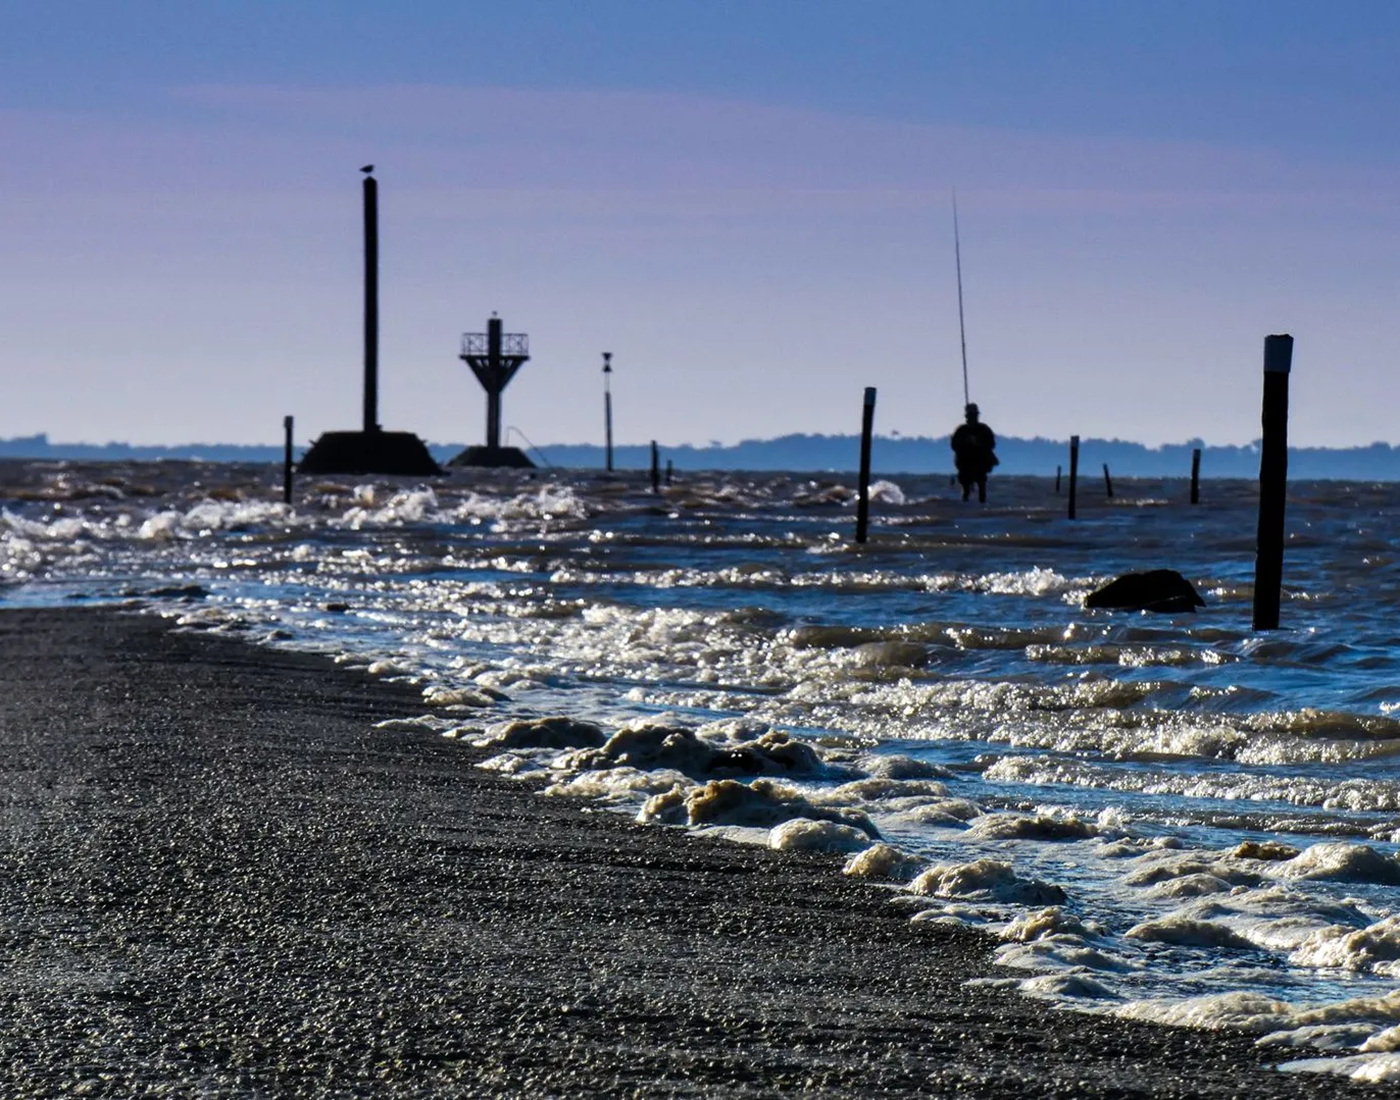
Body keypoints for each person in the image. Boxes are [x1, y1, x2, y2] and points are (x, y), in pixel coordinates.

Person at [951, 403, 997, 502]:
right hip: (965, 466)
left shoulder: (984, 430)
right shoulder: (961, 431)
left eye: (974, 416)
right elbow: (954, 446)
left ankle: (982, 509)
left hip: (980, 466)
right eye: (970, 416)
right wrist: (966, 443)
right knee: (965, 491)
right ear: (967, 417)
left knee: (982, 491)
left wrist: (979, 443)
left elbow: (991, 444)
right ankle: (965, 510)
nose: (972, 418)